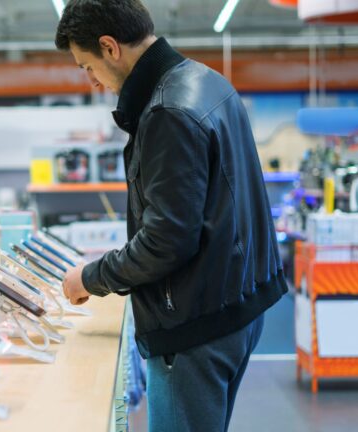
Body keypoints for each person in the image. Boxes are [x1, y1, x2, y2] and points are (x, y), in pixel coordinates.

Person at [55, 1, 288, 431]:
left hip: (196, 325)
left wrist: (90, 277)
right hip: (237, 301)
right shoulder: (205, 81)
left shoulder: (167, 112)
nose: (90, 80)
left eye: (87, 66)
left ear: (110, 48)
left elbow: (166, 240)